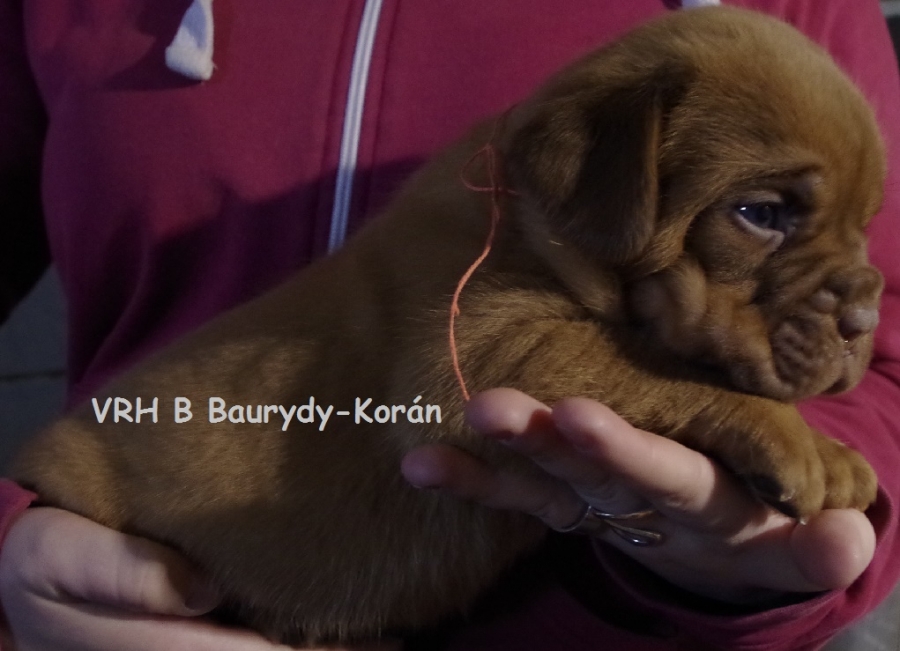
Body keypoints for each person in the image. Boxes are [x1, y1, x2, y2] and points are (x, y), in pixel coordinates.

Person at [0, 0, 898, 649]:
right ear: (595, 182)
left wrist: (761, 552)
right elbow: (477, 370)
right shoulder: (501, 219)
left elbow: (889, 331)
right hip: (141, 542)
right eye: (766, 213)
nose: (846, 297)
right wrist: (9, 548)